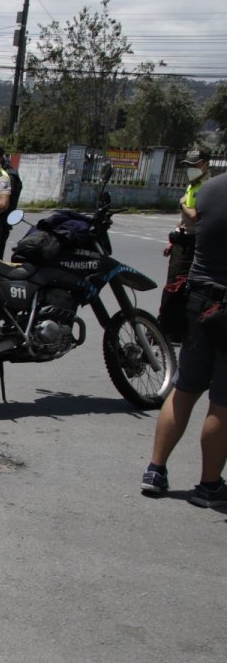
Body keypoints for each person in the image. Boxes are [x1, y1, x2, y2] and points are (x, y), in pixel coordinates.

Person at [141, 171, 227, 508]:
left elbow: (191, 226)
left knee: (185, 388)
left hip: (198, 300)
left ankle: (155, 470)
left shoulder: (209, 190)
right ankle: (209, 485)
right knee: (222, 400)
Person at [160, 148, 210, 343]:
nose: (190, 168)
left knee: (177, 287)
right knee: (173, 284)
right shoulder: (193, 185)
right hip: (181, 241)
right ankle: (168, 325)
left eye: (194, 164)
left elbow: (194, 216)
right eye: (188, 165)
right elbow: (184, 220)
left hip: (192, 243)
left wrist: (182, 204)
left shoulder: (206, 187)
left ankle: (172, 329)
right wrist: (172, 241)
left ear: (205, 164)